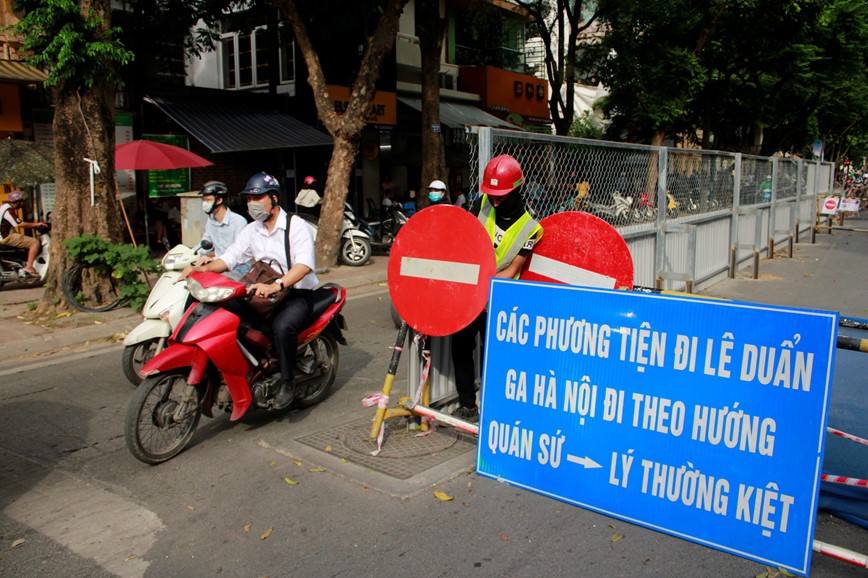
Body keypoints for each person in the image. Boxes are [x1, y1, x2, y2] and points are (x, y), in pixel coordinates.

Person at [184, 172, 318, 411]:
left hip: (295, 294)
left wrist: (277, 285)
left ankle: (287, 381)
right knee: (222, 309)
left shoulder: (296, 226)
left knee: (282, 327)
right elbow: (230, 258)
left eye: (257, 198)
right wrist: (201, 267)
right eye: (248, 199)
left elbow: (304, 266)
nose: (251, 204)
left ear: (274, 199)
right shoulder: (252, 229)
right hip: (261, 291)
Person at [450, 155, 543, 421]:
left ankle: (496, 412)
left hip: (498, 300)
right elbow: (464, 237)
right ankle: (467, 405)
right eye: (492, 195)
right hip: (470, 296)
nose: (495, 201)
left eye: (501, 196)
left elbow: (512, 270)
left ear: (516, 190)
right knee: (461, 348)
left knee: (495, 358)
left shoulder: (530, 229)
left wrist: (481, 284)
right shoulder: (482, 204)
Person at [195, 181, 250, 277]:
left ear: (219, 200)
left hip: (238, 269)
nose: (204, 203)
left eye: (208, 200)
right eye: (203, 200)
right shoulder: (210, 220)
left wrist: (214, 260)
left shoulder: (239, 221)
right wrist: (190, 254)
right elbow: (205, 242)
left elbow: (238, 253)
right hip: (217, 266)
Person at [0, 190, 46, 277]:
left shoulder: (5, 207)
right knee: (34, 243)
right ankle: (29, 267)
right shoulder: (8, 210)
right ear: (18, 202)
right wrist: (36, 224)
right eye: (22, 201)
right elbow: (20, 224)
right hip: (5, 237)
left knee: (24, 239)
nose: (24, 203)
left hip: (4, 235)